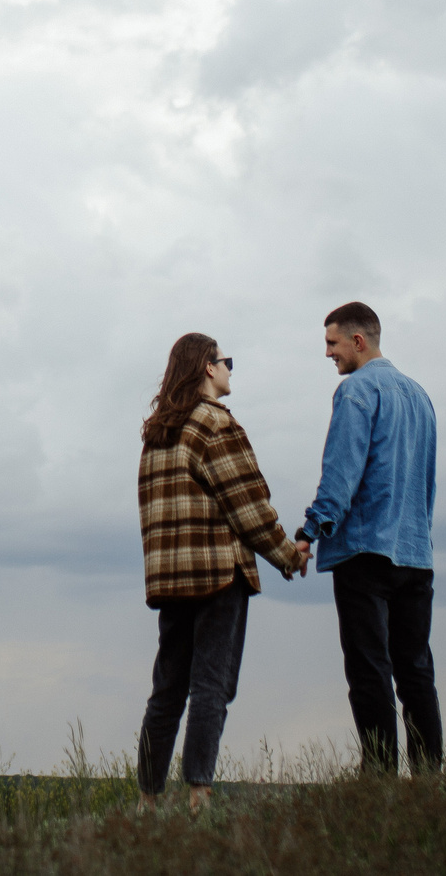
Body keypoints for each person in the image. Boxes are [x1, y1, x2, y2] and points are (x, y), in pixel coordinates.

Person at [135, 332, 305, 811]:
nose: (230, 368)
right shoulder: (216, 424)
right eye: (226, 360)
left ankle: (147, 801)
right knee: (211, 684)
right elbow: (248, 506)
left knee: (167, 690)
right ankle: (199, 794)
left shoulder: (156, 434)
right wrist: (289, 556)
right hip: (215, 575)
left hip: (170, 581)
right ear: (208, 367)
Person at [291, 301, 442, 774]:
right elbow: (426, 481)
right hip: (416, 554)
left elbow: (342, 473)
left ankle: (379, 778)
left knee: (369, 669)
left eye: (332, 343)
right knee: (416, 671)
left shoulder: (356, 392)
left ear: (359, 341)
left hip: (364, 552)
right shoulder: (420, 396)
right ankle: (430, 779)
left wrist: (309, 532)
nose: (328, 354)